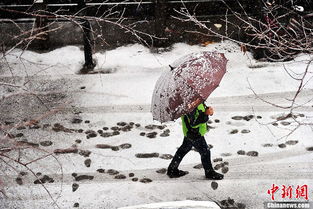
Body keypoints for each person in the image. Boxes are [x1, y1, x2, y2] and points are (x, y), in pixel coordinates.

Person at [167, 102, 224, 180]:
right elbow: (194, 123)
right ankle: (209, 172)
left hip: (190, 132)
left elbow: (198, 113)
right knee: (205, 152)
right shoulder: (190, 104)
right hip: (194, 133)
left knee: (184, 149)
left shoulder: (195, 101)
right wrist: (205, 114)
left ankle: (172, 169)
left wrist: (207, 110)